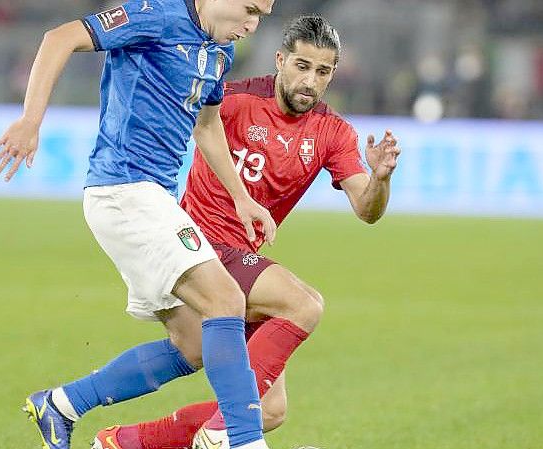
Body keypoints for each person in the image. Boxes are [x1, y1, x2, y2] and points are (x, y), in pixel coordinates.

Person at [91, 15, 401, 449]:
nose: (310, 80)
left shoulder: (333, 132)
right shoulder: (233, 100)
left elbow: (366, 210)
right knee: (304, 303)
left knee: (269, 410)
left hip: (244, 259)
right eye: (301, 65)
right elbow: (195, 126)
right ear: (280, 60)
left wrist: (380, 178)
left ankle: (122, 441)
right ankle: (224, 435)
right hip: (200, 244)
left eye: (322, 71)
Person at [0, 1, 278, 449]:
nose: (254, 25)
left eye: (263, 15)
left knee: (194, 345)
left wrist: (241, 198)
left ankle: (61, 405)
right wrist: (30, 120)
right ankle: (243, 440)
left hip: (152, 198)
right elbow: (59, 38)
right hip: (124, 191)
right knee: (226, 300)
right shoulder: (154, 14)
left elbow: (208, 125)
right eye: (250, 9)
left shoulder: (219, 51)